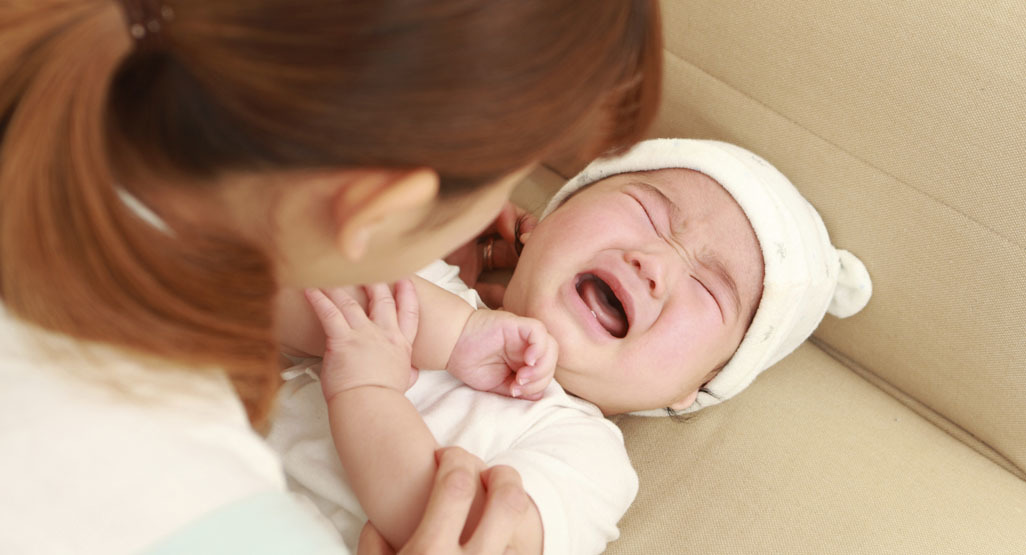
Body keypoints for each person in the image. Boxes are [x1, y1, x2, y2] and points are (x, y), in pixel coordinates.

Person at [0, 1, 663, 553]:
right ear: (373, 212)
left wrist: (452, 331)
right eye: (510, 179)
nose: (656, 266)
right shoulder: (184, 501)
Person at [270, 139, 875, 553]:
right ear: (539, 226)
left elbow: (462, 536)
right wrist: (456, 330)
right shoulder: (427, 279)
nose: (656, 263)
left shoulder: (584, 455)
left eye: (708, 289)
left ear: (693, 390)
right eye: (645, 211)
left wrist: (369, 391)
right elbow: (258, 290)